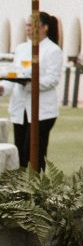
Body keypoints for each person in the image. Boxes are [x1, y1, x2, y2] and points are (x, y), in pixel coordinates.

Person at [5, 12, 64, 171]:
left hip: (42, 110)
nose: (28, 28)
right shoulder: (21, 48)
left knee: (34, 153)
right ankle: (21, 189)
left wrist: (28, 84)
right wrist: (4, 87)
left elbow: (52, 79)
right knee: (20, 152)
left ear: (44, 27)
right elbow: (14, 73)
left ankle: (36, 189)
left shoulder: (53, 50)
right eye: (27, 25)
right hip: (20, 108)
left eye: (32, 25)